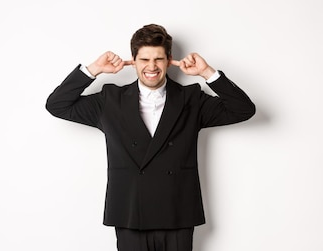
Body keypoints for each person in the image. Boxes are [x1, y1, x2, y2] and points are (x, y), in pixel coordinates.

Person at [45, 24, 255, 251]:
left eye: (158, 59)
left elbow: (243, 110)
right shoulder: (110, 100)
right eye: (144, 59)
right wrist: (93, 69)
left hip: (177, 213)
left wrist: (207, 73)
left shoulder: (191, 99)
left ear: (169, 60)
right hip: (130, 214)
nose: (152, 66)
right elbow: (57, 105)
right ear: (133, 61)